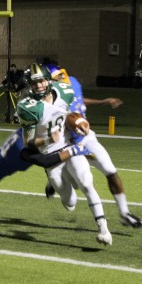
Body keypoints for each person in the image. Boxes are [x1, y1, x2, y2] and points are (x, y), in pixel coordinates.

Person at [17, 63, 113, 245]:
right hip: (50, 154)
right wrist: (47, 140)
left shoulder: (64, 91)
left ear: (48, 80)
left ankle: (103, 228)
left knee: (86, 183)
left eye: (42, 81)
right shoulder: (28, 107)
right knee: (70, 203)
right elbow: (28, 143)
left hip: (70, 145)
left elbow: (72, 114)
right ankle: (57, 184)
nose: (39, 86)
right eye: (34, 82)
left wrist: (81, 123)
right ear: (30, 84)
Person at [45, 64, 142, 230]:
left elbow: (78, 100)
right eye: (55, 78)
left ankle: (124, 213)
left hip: (87, 137)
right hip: (67, 142)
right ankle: (54, 179)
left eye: (61, 76)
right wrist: (71, 122)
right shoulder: (48, 97)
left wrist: (103, 101)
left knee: (110, 170)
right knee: (80, 185)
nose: (60, 80)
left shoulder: (73, 82)